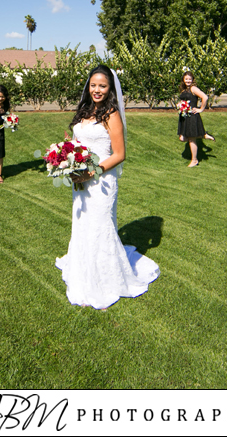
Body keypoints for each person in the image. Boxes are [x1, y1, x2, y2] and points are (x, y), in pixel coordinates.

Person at [55, 65, 160, 309]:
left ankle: (105, 283)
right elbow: (76, 143)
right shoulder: (84, 110)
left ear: (110, 88)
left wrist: (93, 171)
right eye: (93, 85)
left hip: (101, 181)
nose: (97, 90)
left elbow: (120, 154)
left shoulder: (111, 114)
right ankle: (84, 272)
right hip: (80, 179)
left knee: (100, 227)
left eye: (102, 85)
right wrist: (67, 162)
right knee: (83, 225)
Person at [177, 71, 215, 167]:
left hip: (192, 116)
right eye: (186, 79)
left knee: (191, 139)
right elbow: (184, 100)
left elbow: (205, 97)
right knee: (182, 138)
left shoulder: (193, 88)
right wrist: (180, 105)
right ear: (183, 79)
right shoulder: (184, 89)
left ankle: (194, 160)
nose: (188, 81)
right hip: (184, 116)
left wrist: (201, 109)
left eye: (190, 79)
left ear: (192, 80)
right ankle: (203, 135)